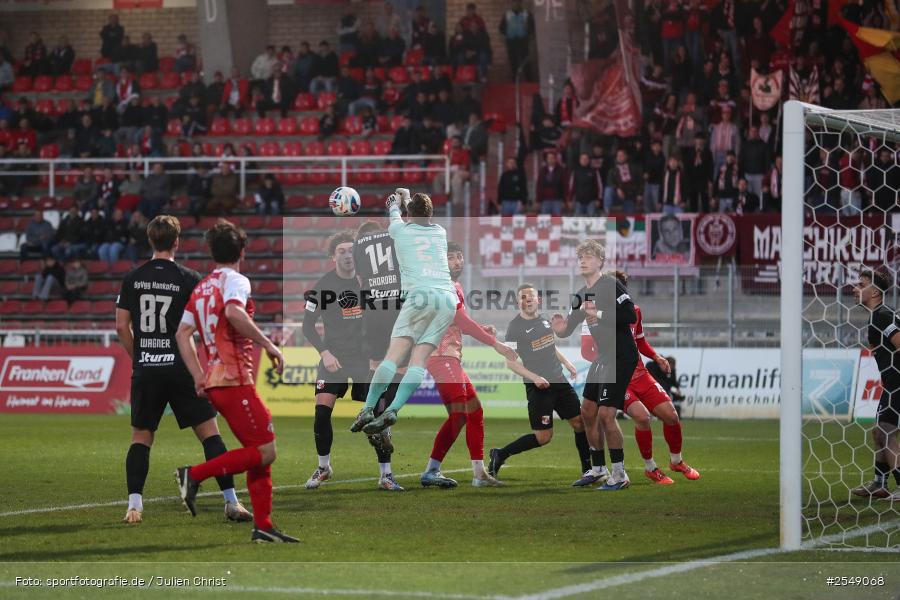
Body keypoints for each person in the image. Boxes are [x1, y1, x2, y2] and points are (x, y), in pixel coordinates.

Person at [116, 216, 251, 525]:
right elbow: (201, 326)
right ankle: (231, 502)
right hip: (181, 368)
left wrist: (140, 356)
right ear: (177, 242)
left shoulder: (133, 278)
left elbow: (122, 326)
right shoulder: (188, 277)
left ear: (151, 242)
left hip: (147, 368)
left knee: (141, 437)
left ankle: (134, 506)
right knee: (210, 435)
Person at [174, 220, 296, 543]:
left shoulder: (200, 287)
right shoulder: (236, 281)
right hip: (233, 378)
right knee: (267, 450)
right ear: (242, 251)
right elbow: (234, 313)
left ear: (213, 253)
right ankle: (193, 475)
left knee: (257, 449)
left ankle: (264, 526)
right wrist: (269, 345)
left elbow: (182, 333)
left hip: (215, 381)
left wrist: (198, 375)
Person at [350, 190, 458, 434]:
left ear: (410, 213)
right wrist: (408, 198)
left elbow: (394, 210)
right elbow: (416, 211)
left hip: (419, 296)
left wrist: (396, 201)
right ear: (430, 213)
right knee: (418, 360)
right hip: (446, 299)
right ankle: (393, 410)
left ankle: (367, 409)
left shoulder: (400, 230)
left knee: (392, 357)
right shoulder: (440, 232)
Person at [303, 229, 402, 491]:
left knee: (375, 415)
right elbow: (307, 326)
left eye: (351, 251)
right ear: (332, 257)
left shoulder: (369, 283)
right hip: (333, 357)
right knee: (321, 412)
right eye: (342, 251)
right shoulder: (323, 285)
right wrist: (324, 352)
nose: (348, 255)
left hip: (364, 359)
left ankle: (386, 475)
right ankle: (324, 467)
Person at [582, 270, 700, 485]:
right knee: (642, 418)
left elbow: (640, 341)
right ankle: (650, 467)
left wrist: (657, 357)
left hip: (640, 373)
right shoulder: (596, 313)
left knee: (671, 415)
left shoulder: (633, 311)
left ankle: (676, 461)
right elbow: (592, 346)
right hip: (618, 373)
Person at [422, 242, 517, 488]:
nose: (456, 261)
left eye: (459, 256)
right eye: (450, 257)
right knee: (461, 414)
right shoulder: (442, 285)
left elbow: (459, 320)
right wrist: (495, 343)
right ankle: (433, 471)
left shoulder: (455, 286)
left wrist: (481, 328)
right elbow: (461, 322)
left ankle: (478, 474)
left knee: (473, 412)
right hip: (440, 356)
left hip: (450, 356)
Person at [551, 240, 638, 491]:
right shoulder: (581, 294)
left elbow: (630, 316)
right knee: (587, 411)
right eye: (580, 257)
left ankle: (620, 474)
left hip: (621, 355)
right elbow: (568, 328)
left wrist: (598, 313)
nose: (583, 260)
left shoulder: (611, 285)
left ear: (600, 261)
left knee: (606, 414)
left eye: (588, 256)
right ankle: (599, 469)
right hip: (604, 357)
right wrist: (561, 328)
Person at [488, 283, 590, 480]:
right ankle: (500, 454)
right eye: (523, 297)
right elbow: (511, 363)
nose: (527, 300)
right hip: (538, 388)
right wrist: (535, 378)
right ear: (518, 302)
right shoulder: (515, 327)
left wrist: (567, 363)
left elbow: (550, 346)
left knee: (579, 423)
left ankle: (588, 471)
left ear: (538, 300)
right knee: (544, 437)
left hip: (559, 381)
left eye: (531, 296)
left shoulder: (544, 321)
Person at [851, 269, 900, 500]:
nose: (855, 288)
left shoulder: (882, 315)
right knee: (879, 433)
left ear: (875, 292)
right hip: (890, 384)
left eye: (861, 285)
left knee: (886, 433)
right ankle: (880, 484)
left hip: (897, 384)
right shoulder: (878, 315)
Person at [499, 0, 534, 79]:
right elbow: (501, 28)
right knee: (513, 63)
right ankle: (514, 82)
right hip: (511, 42)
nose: (515, 4)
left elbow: (532, 28)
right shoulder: (507, 15)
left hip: (523, 41)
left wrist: (527, 28)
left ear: (520, 3)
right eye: (514, 2)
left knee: (525, 62)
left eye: (517, 2)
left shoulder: (526, 14)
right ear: (511, 3)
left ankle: (529, 81)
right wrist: (507, 33)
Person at [568, 152, 602, 216]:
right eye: (583, 159)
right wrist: (570, 200)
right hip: (578, 201)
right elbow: (571, 186)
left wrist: (598, 199)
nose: (584, 160)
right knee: (577, 220)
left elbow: (599, 186)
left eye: (586, 159)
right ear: (580, 160)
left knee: (592, 220)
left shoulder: (594, 171)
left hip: (591, 201)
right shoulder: (575, 171)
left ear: (589, 160)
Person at [536, 151, 566, 216]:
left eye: (552, 158)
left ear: (555, 159)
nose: (550, 160)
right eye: (549, 158)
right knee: (545, 220)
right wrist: (538, 200)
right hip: (545, 200)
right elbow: (539, 186)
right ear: (546, 159)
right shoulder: (542, 171)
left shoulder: (561, 170)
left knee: (557, 220)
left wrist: (564, 200)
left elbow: (564, 186)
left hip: (557, 200)